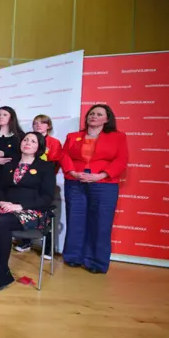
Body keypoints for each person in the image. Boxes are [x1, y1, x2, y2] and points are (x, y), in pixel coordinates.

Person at [0, 132, 56, 292]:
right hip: (7, 207)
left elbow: (47, 197)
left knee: (1, 221)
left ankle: (0, 273)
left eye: (33, 141)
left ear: (39, 147)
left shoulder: (46, 167)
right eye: (26, 140)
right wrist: (2, 202)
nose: (28, 143)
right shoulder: (9, 164)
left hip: (32, 211)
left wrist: (19, 206)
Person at [61, 105, 128, 274]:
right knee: (75, 220)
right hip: (76, 182)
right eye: (91, 113)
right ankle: (73, 257)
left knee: (101, 222)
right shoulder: (73, 136)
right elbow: (64, 155)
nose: (94, 116)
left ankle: (96, 262)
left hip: (104, 184)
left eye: (99, 114)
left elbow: (121, 159)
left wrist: (101, 175)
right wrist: (73, 173)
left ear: (107, 119)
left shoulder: (118, 137)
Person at [14, 114, 62, 256]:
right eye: (35, 123)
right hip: (27, 183)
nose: (38, 125)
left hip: (43, 183)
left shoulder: (54, 142)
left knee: (44, 214)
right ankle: (24, 242)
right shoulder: (25, 142)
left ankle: (47, 249)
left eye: (42, 123)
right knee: (19, 210)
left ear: (49, 126)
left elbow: (55, 163)